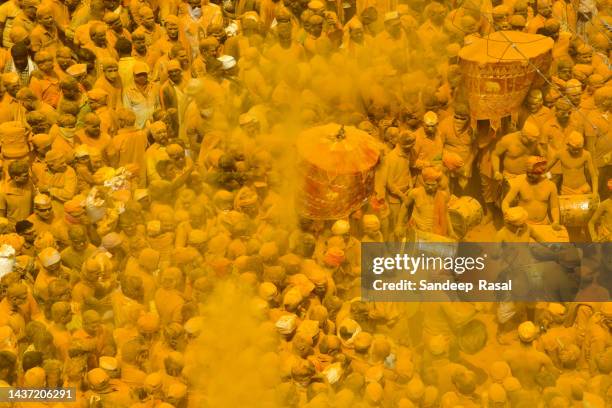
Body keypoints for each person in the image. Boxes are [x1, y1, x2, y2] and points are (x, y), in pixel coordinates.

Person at [503, 156, 561, 228]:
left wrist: (556, 221)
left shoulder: (551, 185)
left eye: (534, 173)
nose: (530, 175)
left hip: (543, 224)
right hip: (523, 224)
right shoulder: (519, 182)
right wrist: (507, 214)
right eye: (528, 172)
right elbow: (506, 202)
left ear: (541, 173)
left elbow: (554, 207)